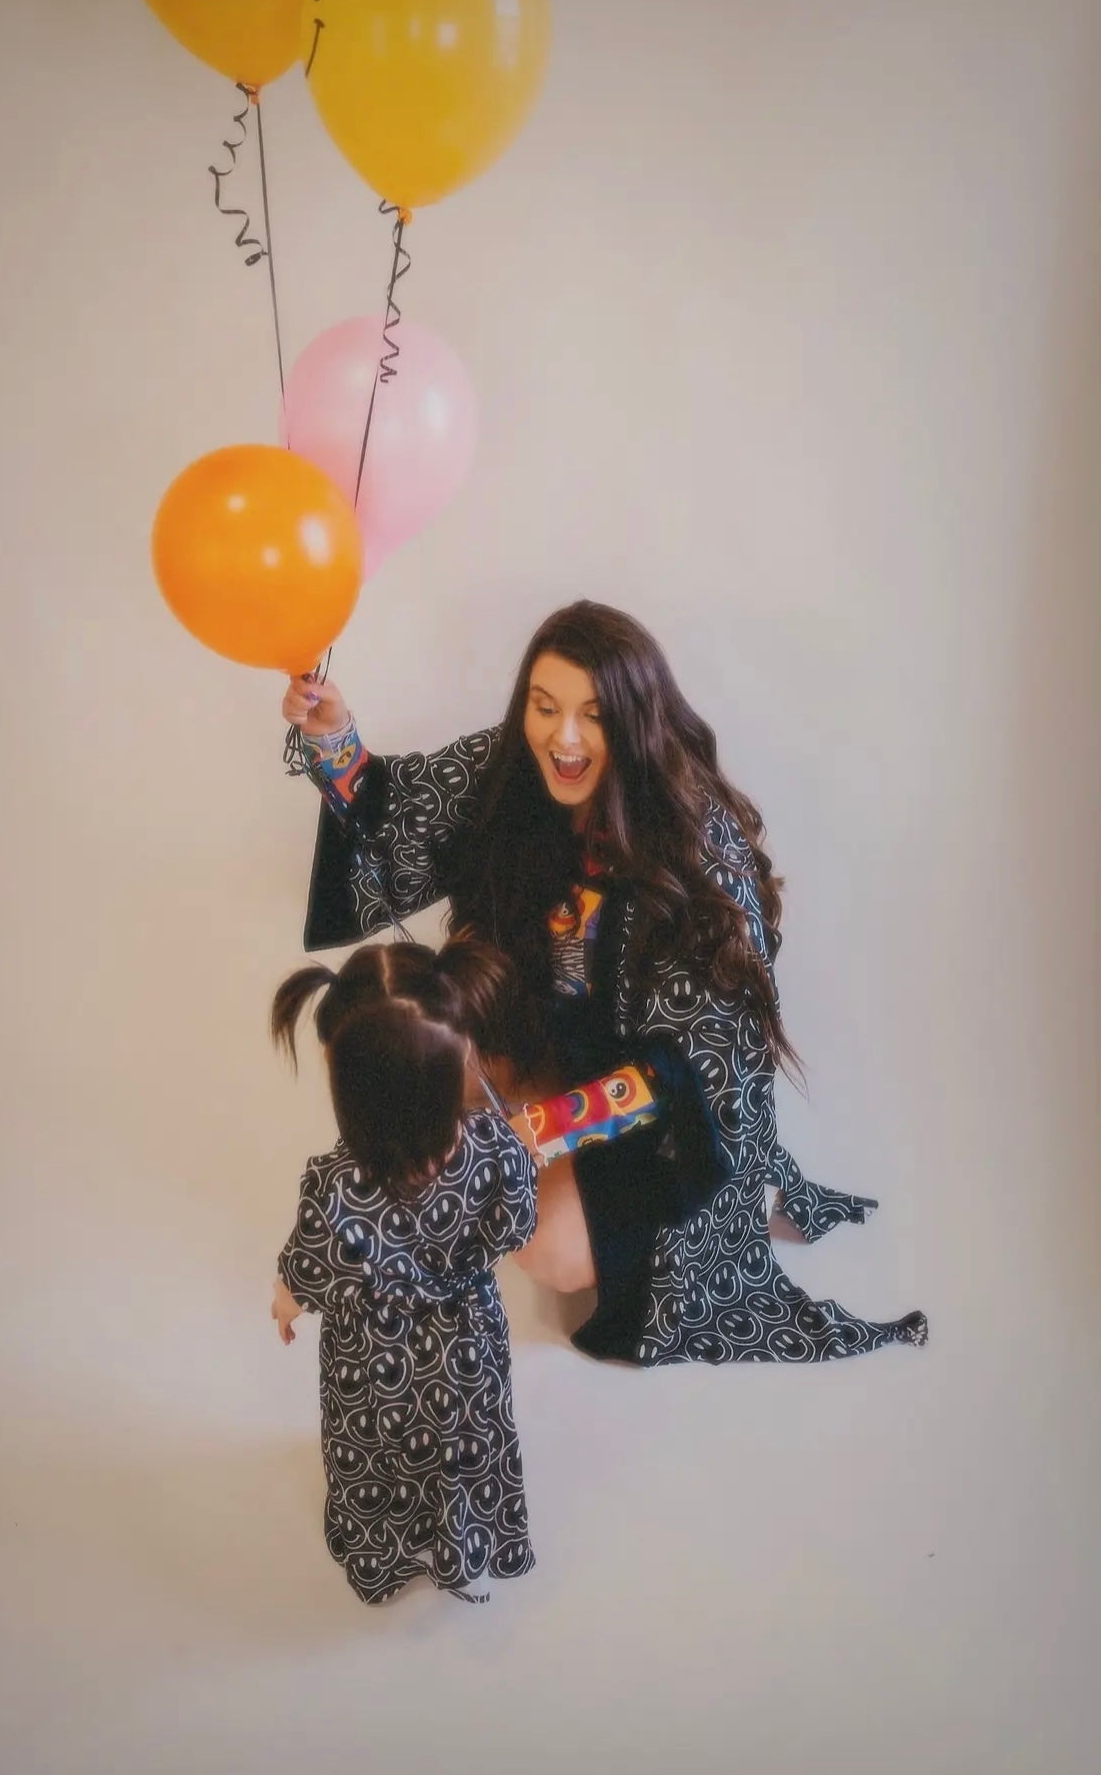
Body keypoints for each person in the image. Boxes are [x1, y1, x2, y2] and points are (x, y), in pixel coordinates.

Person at [281, 599, 927, 1367]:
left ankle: (594, 1204)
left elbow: (696, 1074)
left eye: (594, 715)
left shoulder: (698, 854)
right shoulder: (512, 770)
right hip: (548, 1032)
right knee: (428, 1062)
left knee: (545, 1246)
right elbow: (402, 817)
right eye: (544, 706)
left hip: (658, 1108)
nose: (564, 737)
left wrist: (536, 1131)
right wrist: (333, 737)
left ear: (636, 720)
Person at [271, 939, 538, 1605]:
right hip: (468, 1353)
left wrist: (285, 1304)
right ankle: (463, 1547)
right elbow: (518, 1225)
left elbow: (307, 1272)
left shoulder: (336, 1188)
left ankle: (380, 1558)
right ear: (461, 1058)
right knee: (466, 1446)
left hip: (373, 1371)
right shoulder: (499, 1150)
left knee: (373, 1459)